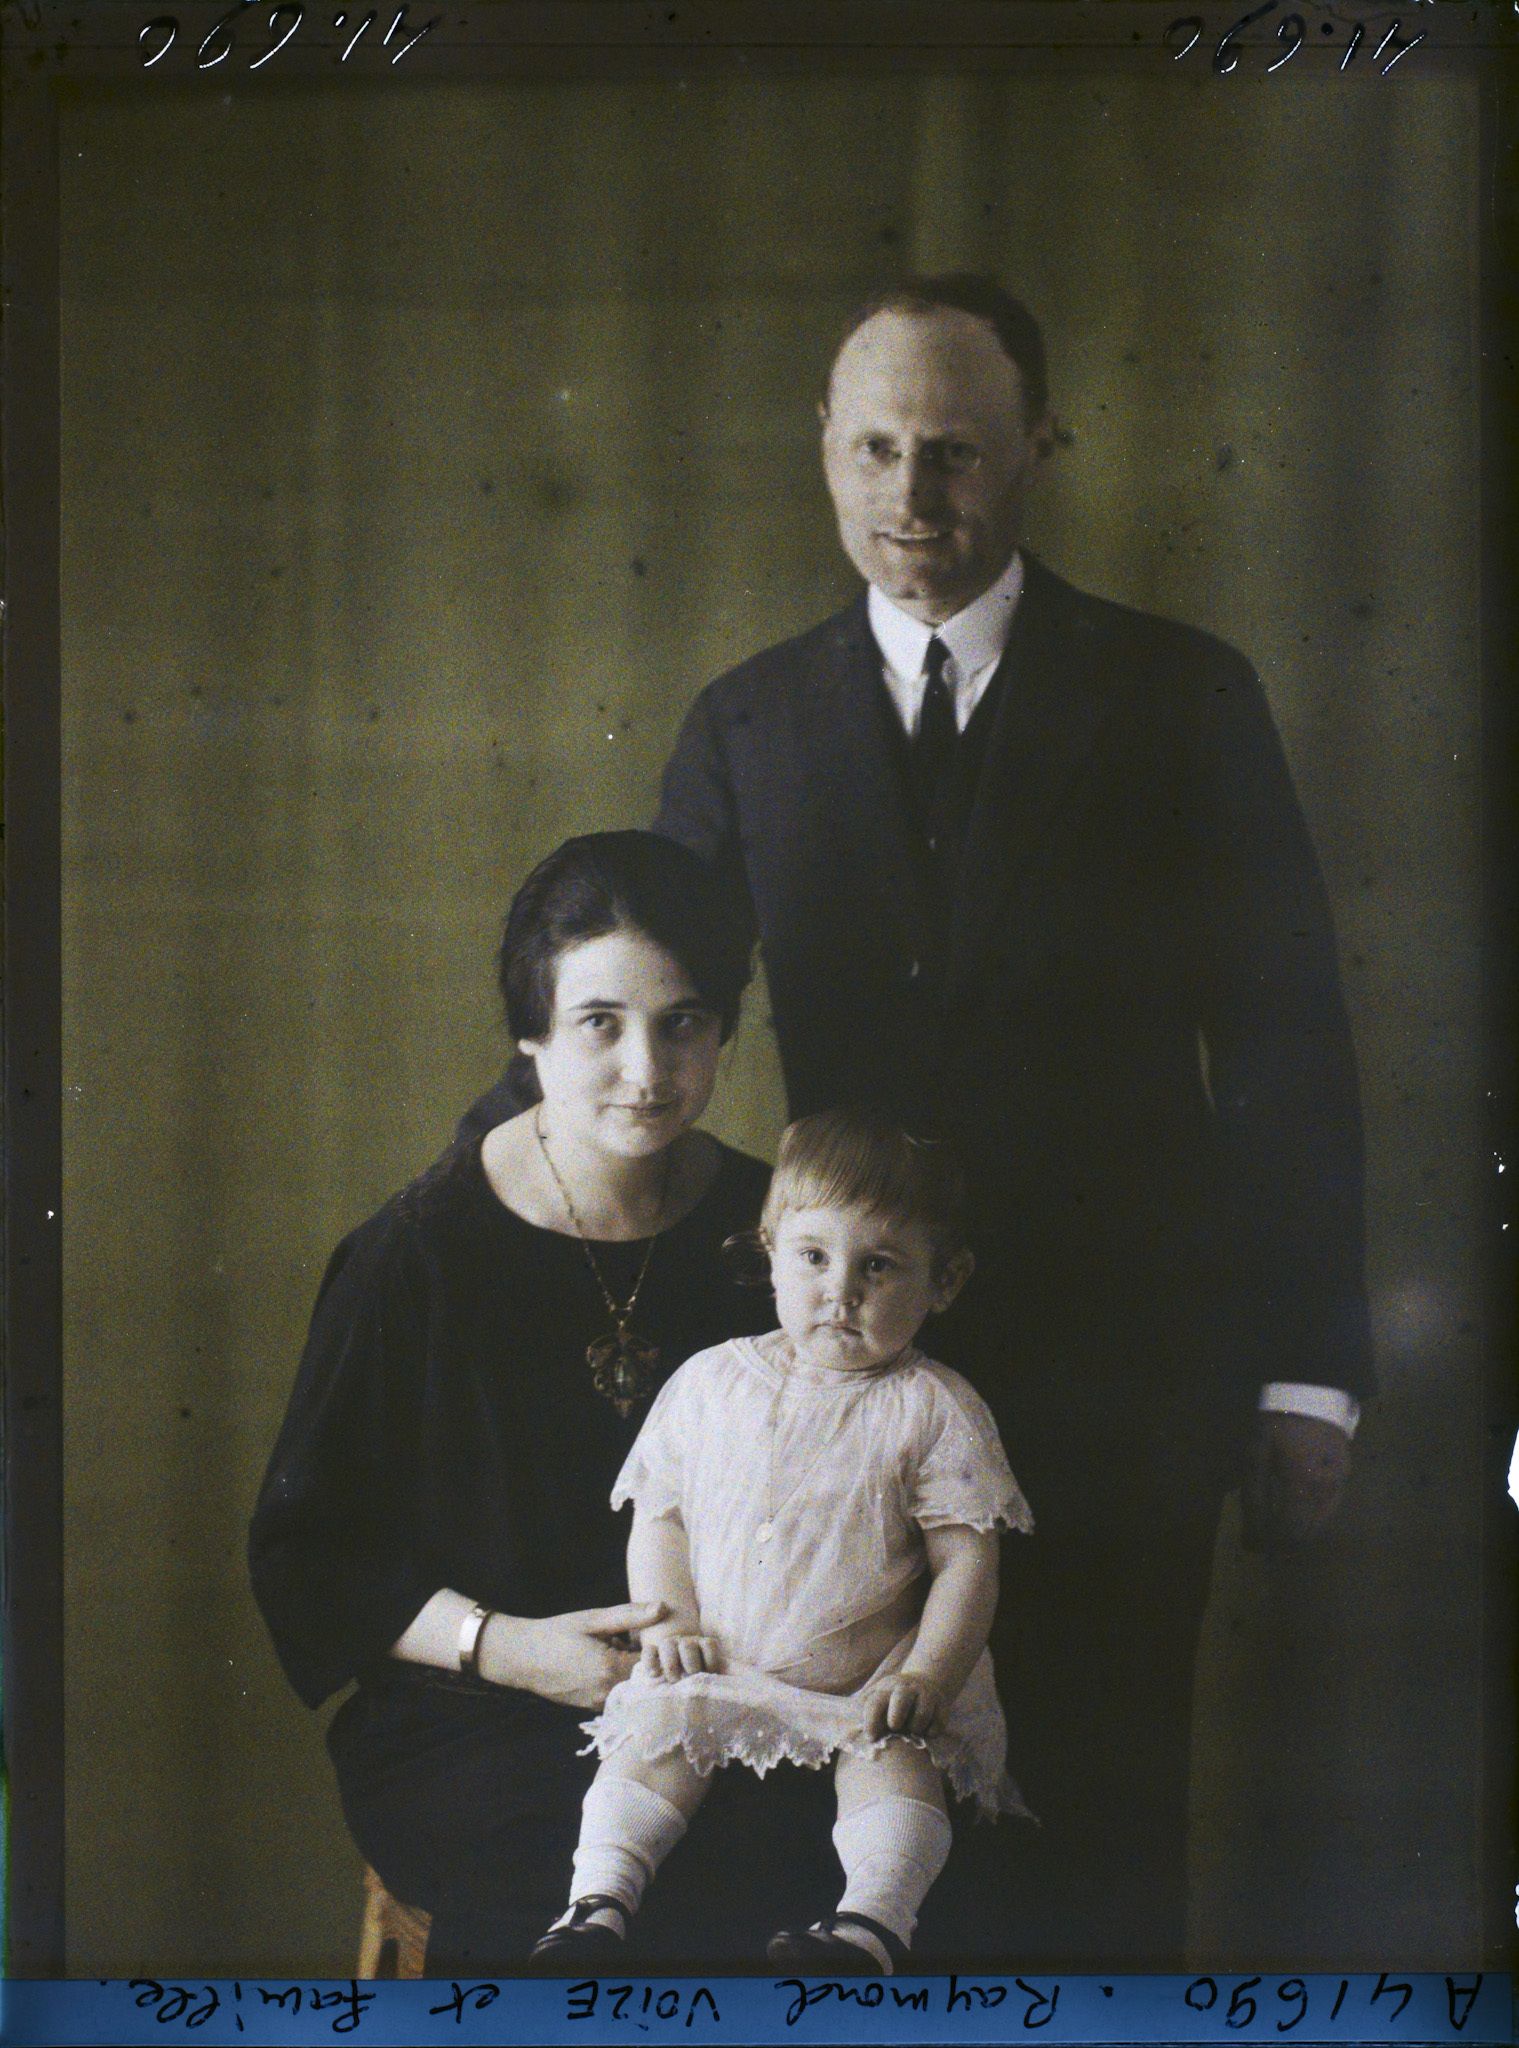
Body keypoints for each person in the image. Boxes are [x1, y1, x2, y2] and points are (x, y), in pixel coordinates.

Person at [645, 275, 1377, 1965]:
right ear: (821, 455)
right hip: (833, 1411)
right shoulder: (747, 725)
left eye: (956, 454)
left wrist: (1302, 1371)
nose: (910, 503)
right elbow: (643, 992)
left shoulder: (1177, 696)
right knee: (852, 1856)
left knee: (1099, 1839)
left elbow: (1283, 1045)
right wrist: (509, 1155)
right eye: (874, 451)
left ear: (1034, 448)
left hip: (1119, 1392)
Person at [248, 831, 779, 1974]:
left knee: (849, 1851)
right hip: (480, 1712)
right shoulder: (416, 1256)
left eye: (683, 1021)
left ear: (724, 1029)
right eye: (601, 1022)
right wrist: (511, 1647)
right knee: (574, 1884)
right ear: (532, 1036)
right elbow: (310, 1554)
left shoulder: (776, 1234)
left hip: (729, 1689)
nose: (647, 1068)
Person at [528, 1110, 1033, 1978]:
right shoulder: (710, 1381)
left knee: (895, 1769)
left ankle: (870, 1924)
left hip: (867, 1684)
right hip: (722, 1666)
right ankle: (596, 1907)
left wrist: (926, 1677)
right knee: (651, 1739)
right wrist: (669, 1621)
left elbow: (966, 1562)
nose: (840, 1292)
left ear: (943, 1282)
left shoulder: (934, 1406)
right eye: (812, 1257)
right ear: (768, 1252)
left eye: (879, 1266)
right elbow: (662, 1515)